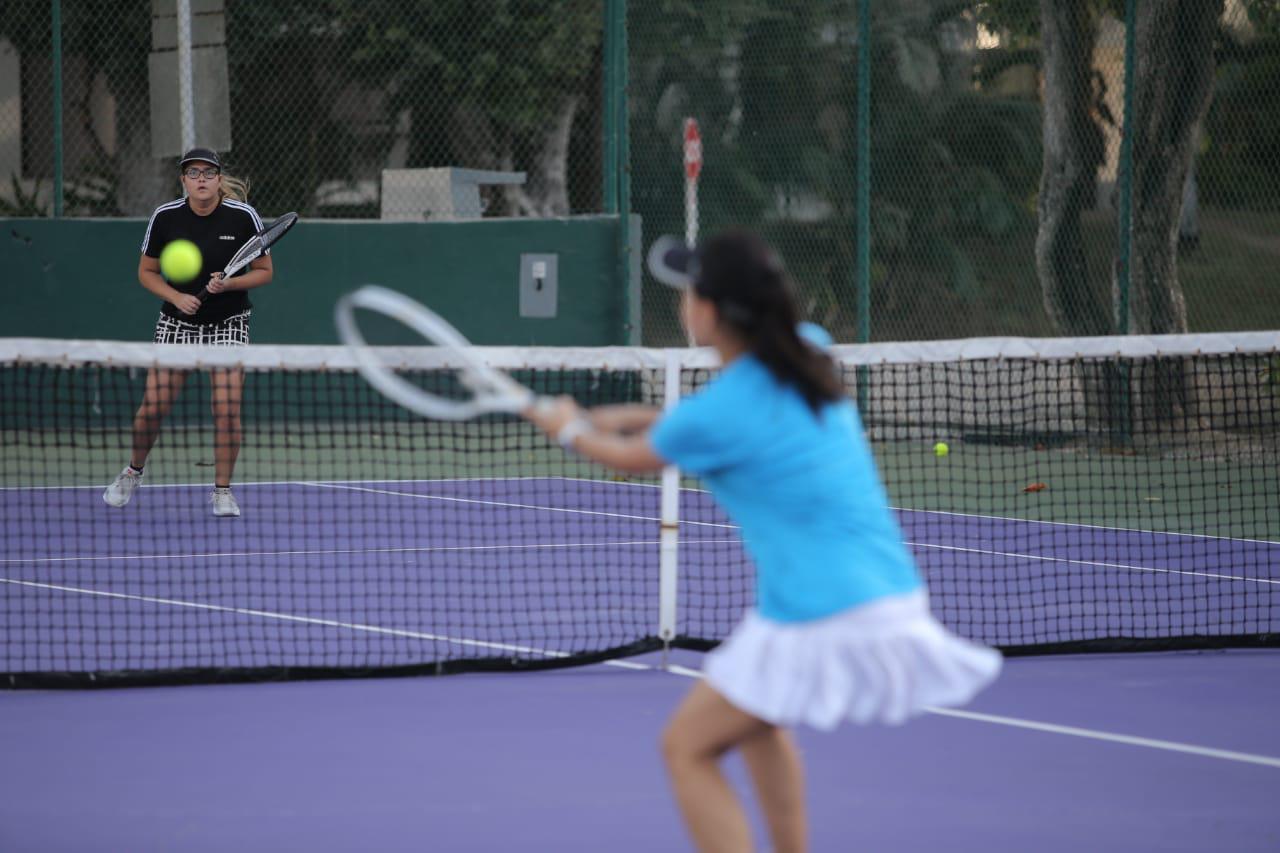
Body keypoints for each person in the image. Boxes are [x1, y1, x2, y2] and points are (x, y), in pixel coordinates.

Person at [524, 231, 1001, 853]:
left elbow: (630, 458)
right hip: (879, 589)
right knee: (758, 723)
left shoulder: (720, 413)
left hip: (821, 607)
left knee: (686, 749)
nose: (682, 302)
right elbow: (694, 425)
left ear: (709, 312)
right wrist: (603, 416)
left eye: (688, 291)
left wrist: (567, 429)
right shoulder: (809, 353)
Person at [102, 147, 274, 517]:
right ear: (183, 180)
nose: (201, 179)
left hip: (229, 322)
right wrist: (177, 297)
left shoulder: (243, 216)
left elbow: (264, 271)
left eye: (208, 173)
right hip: (177, 323)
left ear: (217, 178)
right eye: (193, 173)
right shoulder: (165, 217)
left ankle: (223, 490)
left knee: (227, 410)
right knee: (153, 409)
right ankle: (134, 471)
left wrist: (228, 285)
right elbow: (146, 273)